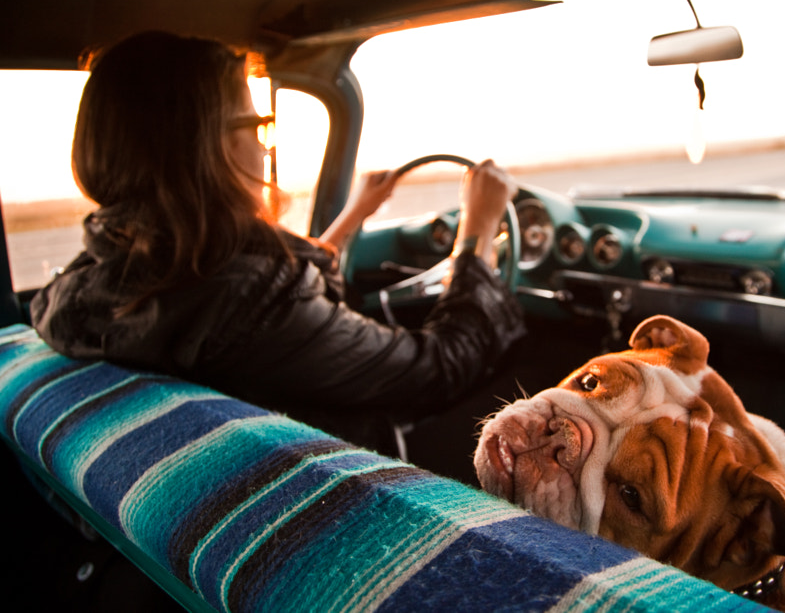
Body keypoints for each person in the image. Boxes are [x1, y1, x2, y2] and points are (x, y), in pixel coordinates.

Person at [30, 31, 526, 454]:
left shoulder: (93, 282)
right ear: (211, 144)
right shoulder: (249, 304)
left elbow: (273, 300)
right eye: (255, 124)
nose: (264, 143)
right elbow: (440, 367)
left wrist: (353, 216)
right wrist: (477, 229)